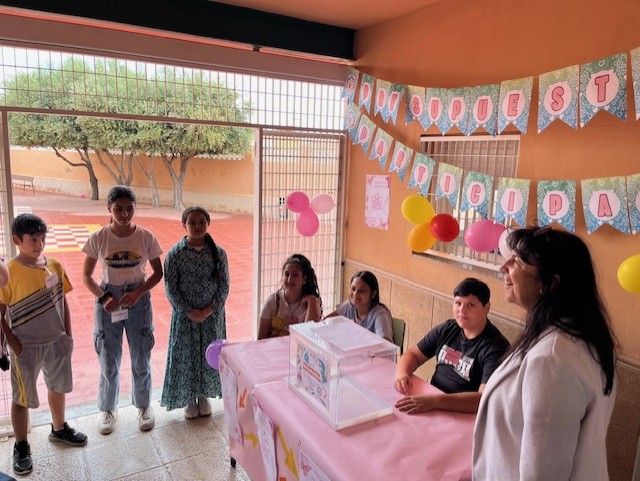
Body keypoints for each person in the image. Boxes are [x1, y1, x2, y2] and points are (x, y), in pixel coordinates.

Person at [473, 226, 617, 480]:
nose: (503, 267)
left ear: (551, 283)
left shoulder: (552, 361)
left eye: (518, 262)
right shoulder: (580, 337)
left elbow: (541, 474)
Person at [0, 214, 87, 476]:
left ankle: (59, 429)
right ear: (17, 240)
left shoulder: (55, 266)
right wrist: (12, 344)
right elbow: (0, 313)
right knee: (22, 397)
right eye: (33, 240)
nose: (39, 245)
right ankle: (21, 446)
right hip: (25, 347)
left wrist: (67, 334)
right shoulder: (8, 273)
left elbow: (64, 301)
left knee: (57, 387)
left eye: (42, 239)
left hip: (57, 342)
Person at [82, 186, 163, 435]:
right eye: (118, 209)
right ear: (109, 208)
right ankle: (108, 409)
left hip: (138, 300)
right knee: (108, 357)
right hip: (109, 300)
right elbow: (86, 276)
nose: (125, 214)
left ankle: (144, 406)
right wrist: (103, 297)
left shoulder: (146, 236)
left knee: (141, 356)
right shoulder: (99, 237)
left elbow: (158, 273)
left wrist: (138, 293)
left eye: (129, 208)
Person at [394, 277, 509, 414]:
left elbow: (483, 399)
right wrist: (402, 374)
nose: (462, 310)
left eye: (471, 305)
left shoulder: (496, 347)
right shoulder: (448, 329)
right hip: (433, 403)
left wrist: (435, 401)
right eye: (458, 303)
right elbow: (414, 355)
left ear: (486, 308)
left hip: (462, 414)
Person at [160, 206, 230, 419]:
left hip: (211, 317)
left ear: (208, 224)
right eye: (192, 222)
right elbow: (170, 287)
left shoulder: (218, 253)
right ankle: (189, 399)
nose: (197, 226)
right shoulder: (175, 254)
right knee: (186, 355)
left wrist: (209, 310)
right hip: (185, 317)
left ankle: (204, 396)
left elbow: (224, 285)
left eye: (202, 222)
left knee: (210, 355)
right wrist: (188, 311)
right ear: (184, 225)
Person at [258, 254, 322, 339]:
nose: (290, 279)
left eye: (295, 275)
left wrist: (311, 300)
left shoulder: (313, 303)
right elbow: (261, 339)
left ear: (304, 279)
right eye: (287, 274)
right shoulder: (273, 301)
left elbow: (310, 337)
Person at [325, 270, 393, 341]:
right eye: (353, 289)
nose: (355, 294)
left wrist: (356, 331)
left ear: (373, 294)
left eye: (362, 291)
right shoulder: (349, 306)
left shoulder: (379, 314)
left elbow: (385, 344)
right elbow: (326, 322)